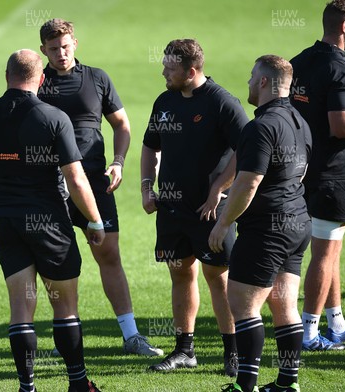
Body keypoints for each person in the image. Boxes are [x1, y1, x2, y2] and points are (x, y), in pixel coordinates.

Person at [0, 49, 104, 392]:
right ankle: (77, 384)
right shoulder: (53, 117)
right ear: (41, 78)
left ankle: (27, 387)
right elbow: (75, 178)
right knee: (65, 306)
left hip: (5, 221)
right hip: (49, 223)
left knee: (21, 307)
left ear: (7, 76)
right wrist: (95, 221)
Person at [37, 18, 162, 357]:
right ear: (42, 51)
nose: (60, 54)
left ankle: (132, 336)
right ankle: (65, 340)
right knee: (56, 261)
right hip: (51, 184)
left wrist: (118, 162)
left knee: (108, 254)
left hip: (94, 182)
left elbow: (122, 124)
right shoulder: (37, 81)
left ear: (74, 42)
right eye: (53, 49)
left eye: (65, 46)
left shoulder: (97, 78)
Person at [141, 39, 248, 375]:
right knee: (180, 273)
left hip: (210, 211)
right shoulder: (165, 101)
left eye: (170, 69)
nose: (163, 73)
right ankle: (184, 350)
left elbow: (246, 150)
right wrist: (147, 186)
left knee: (218, 276)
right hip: (172, 210)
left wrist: (220, 187)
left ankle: (233, 354)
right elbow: (149, 147)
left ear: (191, 71)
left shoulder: (222, 103)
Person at [214, 55, 312, 392]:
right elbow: (301, 172)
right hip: (298, 223)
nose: (248, 82)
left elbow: (248, 182)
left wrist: (223, 223)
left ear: (265, 82)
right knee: (285, 304)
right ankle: (288, 383)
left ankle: (245, 386)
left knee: (243, 304)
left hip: (267, 229)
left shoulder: (260, 127)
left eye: (252, 76)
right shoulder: (300, 121)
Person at [290, 0, 345, 351]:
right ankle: (309, 332)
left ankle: (336, 322)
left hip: (302, 172)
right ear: (344, 26)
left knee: (331, 249)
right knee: (325, 254)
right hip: (333, 176)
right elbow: (341, 126)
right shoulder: (339, 68)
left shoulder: (300, 61)